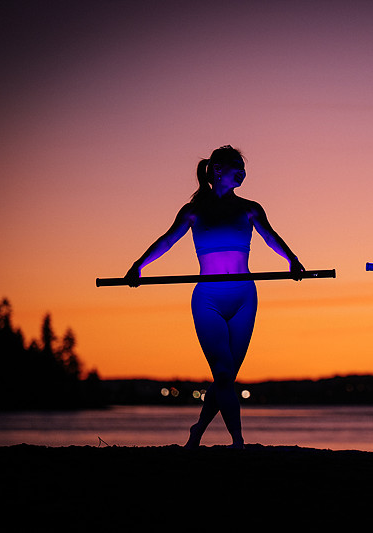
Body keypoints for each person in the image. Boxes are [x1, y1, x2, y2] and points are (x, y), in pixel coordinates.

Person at [124, 145, 305, 449]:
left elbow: (271, 237)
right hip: (208, 298)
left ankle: (197, 432)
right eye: (236, 165)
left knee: (225, 378)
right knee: (222, 373)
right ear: (218, 170)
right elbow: (167, 240)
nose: (242, 171)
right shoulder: (194, 210)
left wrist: (292, 260)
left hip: (244, 297)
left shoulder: (251, 208)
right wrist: (138, 266)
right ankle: (238, 442)